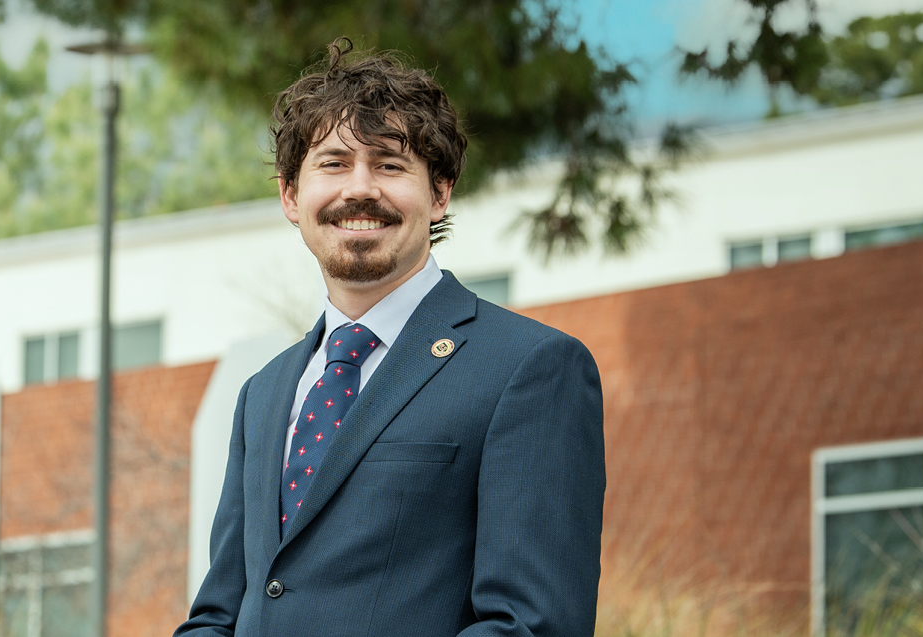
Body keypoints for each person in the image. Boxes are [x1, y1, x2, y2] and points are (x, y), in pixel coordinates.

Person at [174, 39, 606, 637]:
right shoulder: (262, 394)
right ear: (290, 196)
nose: (360, 188)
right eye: (332, 163)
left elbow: (531, 625)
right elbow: (222, 613)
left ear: (440, 193)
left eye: (390, 163)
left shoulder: (530, 369)